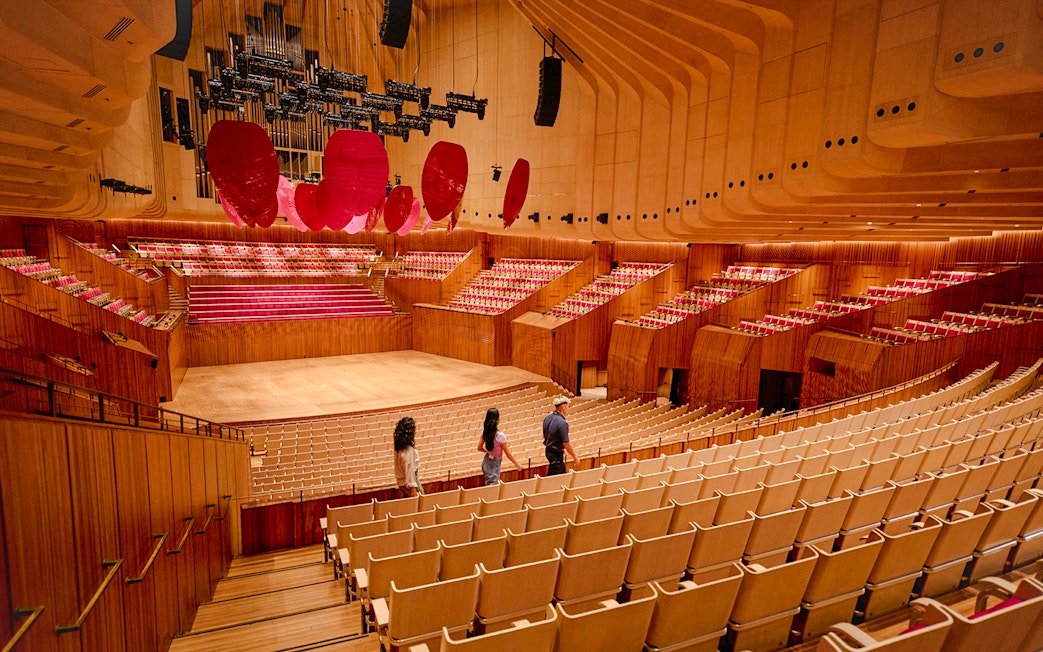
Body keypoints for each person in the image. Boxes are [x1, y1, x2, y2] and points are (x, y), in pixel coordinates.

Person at [476, 407, 523, 485]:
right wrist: (517, 464)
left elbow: (479, 448)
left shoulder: (484, 432)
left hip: (486, 461)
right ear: (497, 420)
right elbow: (508, 454)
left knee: (489, 483)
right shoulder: (500, 436)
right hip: (494, 463)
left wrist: (489, 452)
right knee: (492, 486)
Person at [542, 396, 579, 476]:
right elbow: (566, 444)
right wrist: (575, 457)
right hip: (556, 455)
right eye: (567, 407)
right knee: (558, 479)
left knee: (552, 475)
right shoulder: (562, 423)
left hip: (548, 451)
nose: (568, 409)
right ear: (563, 407)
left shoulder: (547, 418)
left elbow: (546, 435)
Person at [393, 416, 423, 497]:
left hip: (402, 484)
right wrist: (413, 491)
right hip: (411, 487)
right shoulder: (408, 451)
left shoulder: (398, 448)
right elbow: (410, 471)